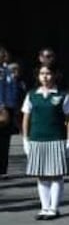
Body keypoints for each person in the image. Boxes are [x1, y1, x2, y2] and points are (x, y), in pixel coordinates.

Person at [21, 64, 69, 220]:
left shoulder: (63, 95)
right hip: (37, 139)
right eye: (42, 73)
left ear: (54, 75)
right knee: (41, 175)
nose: (45, 77)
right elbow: (26, 118)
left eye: (48, 73)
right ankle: (44, 207)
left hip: (56, 139)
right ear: (38, 76)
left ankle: (54, 208)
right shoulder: (32, 95)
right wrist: (25, 139)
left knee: (56, 174)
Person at [0, 50, 18, 179]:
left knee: (5, 140)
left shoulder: (8, 70)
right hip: (2, 107)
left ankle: (2, 168)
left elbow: (12, 88)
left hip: (8, 107)